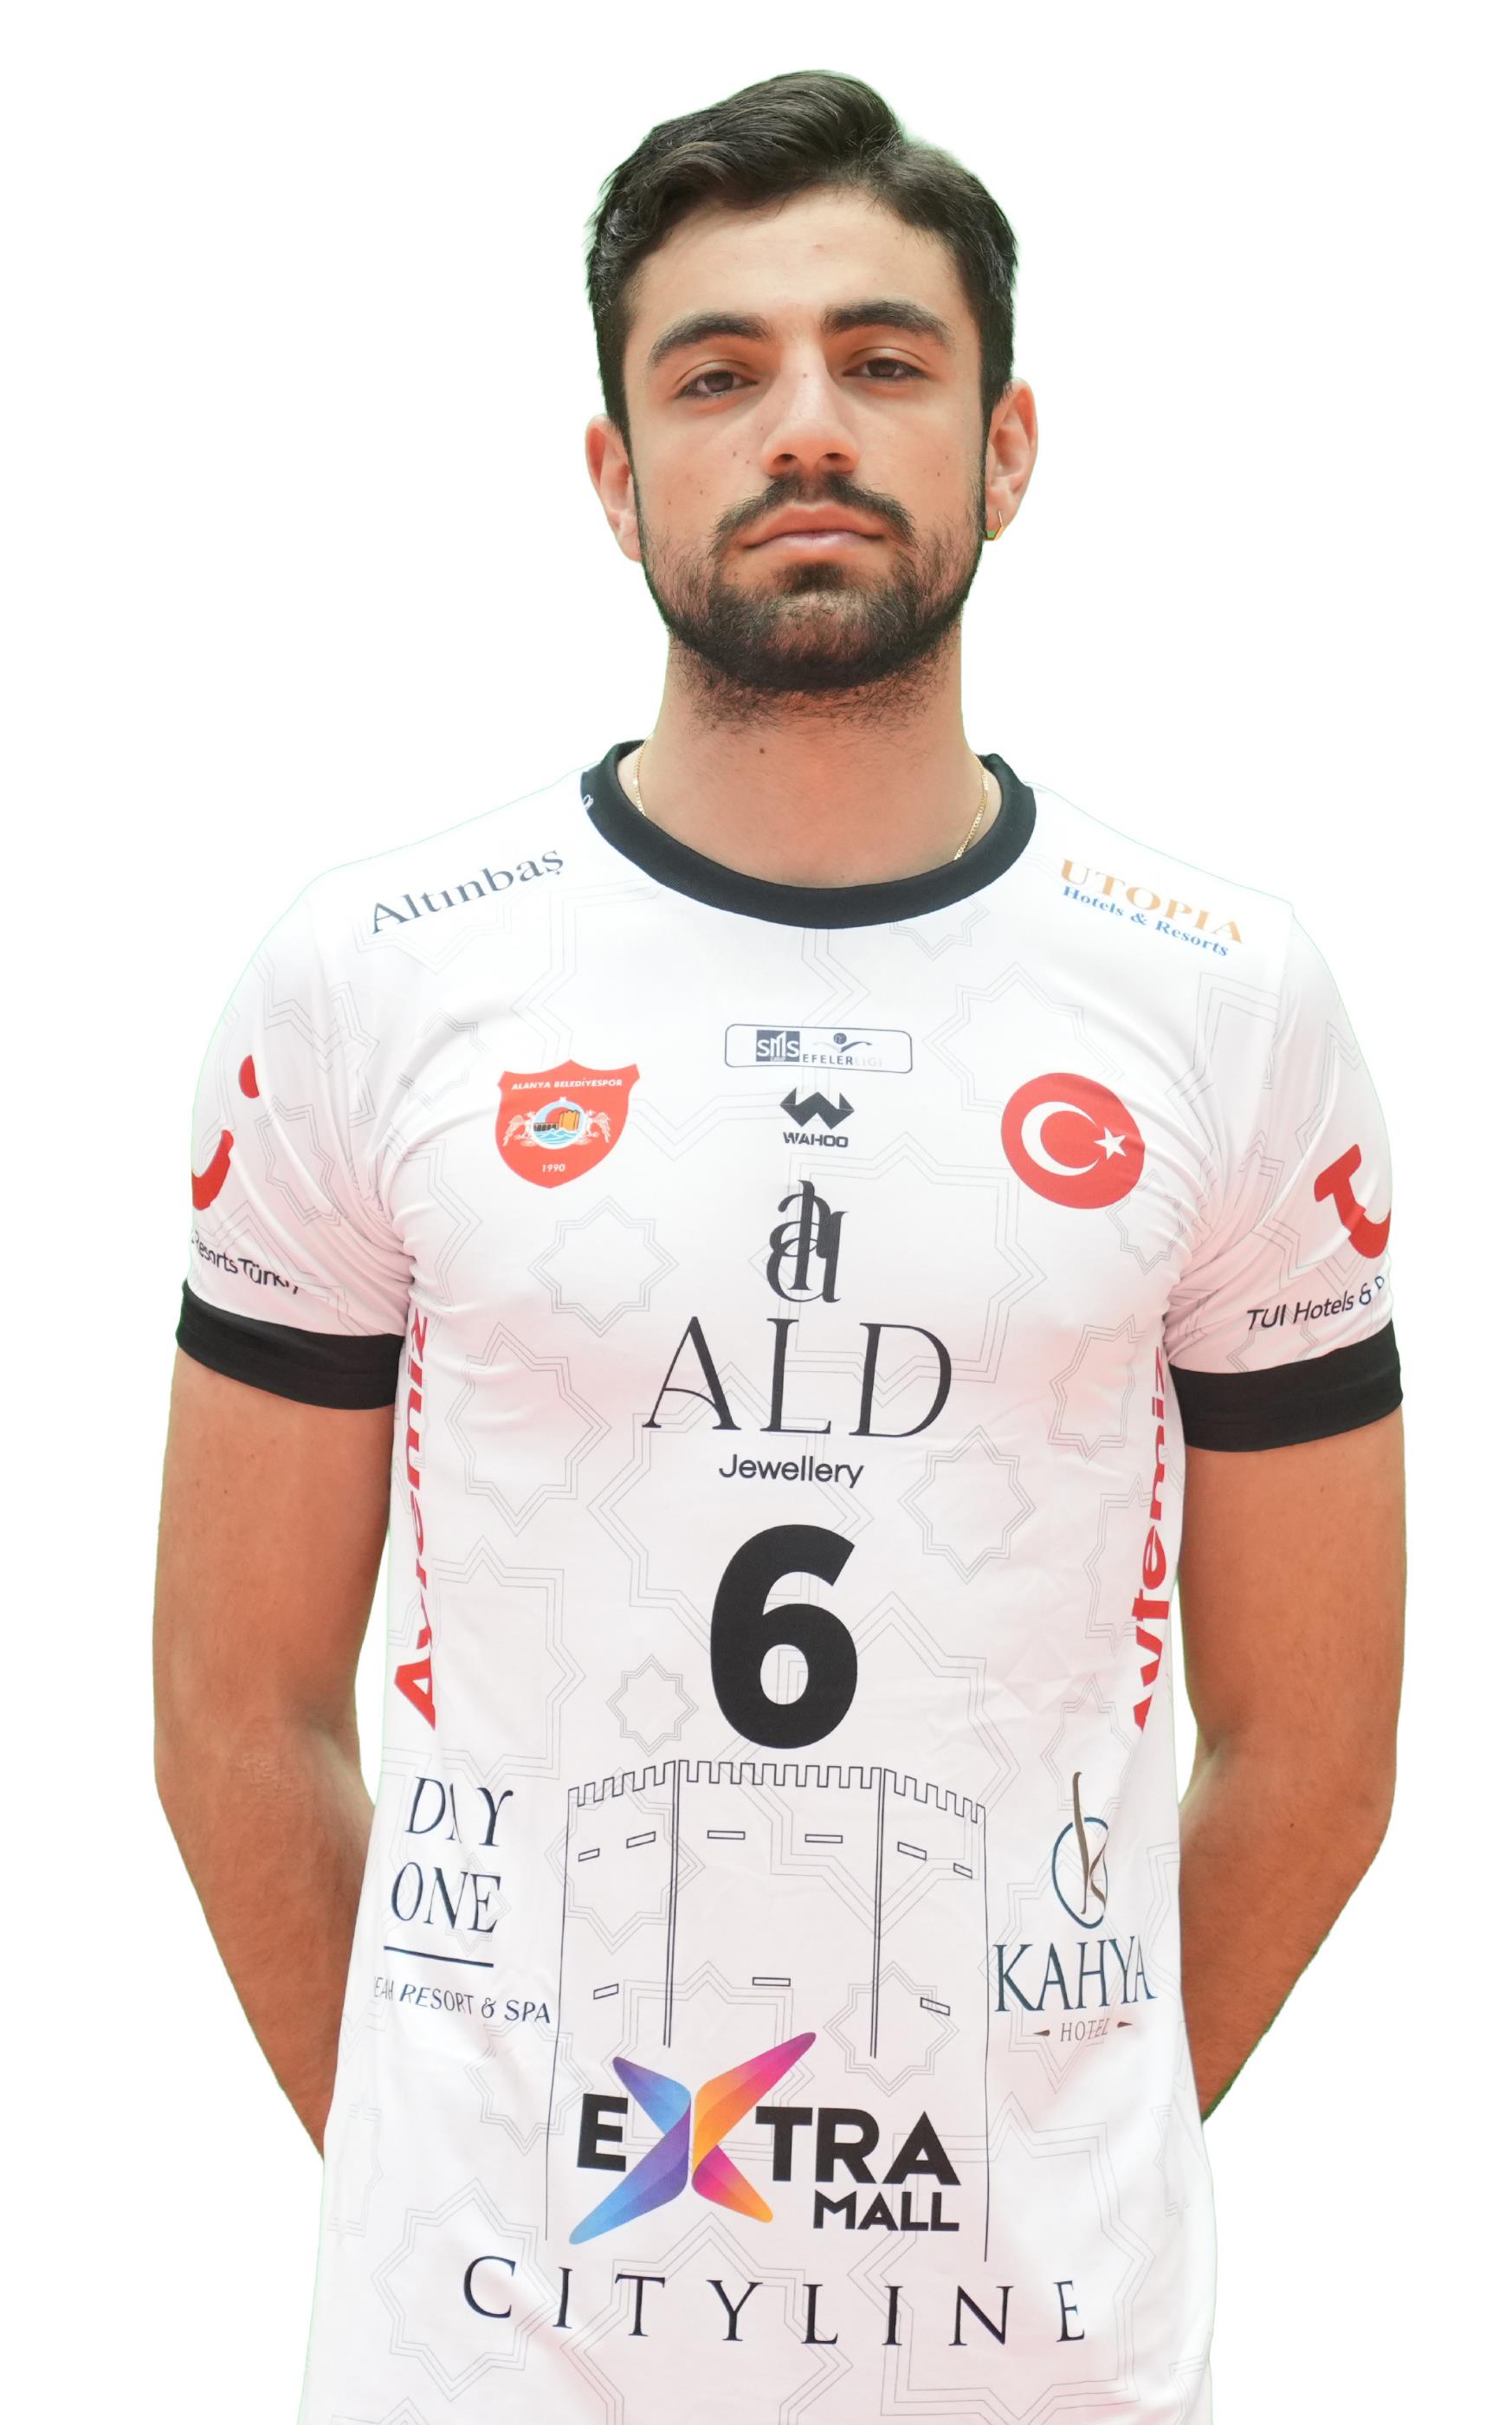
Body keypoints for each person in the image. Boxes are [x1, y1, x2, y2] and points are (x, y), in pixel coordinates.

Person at [153, 68, 1405, 2425]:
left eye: (882, 359)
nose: (805, 424)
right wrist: (458, 2194)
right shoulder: (375, 979)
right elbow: (234, 1709)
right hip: (488, 2365)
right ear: (615, 472)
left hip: (1035, 2369)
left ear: (1007, 449)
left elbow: (1320, 1747)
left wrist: (1066, 2161)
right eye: (719, 372)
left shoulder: (1225, 1002)